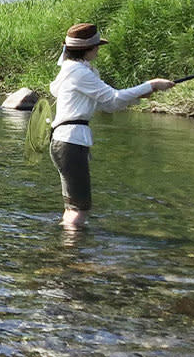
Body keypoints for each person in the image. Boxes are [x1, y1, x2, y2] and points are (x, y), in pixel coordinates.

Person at [48, 22, 173, 229]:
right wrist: (151, 85)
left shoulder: (73, 70)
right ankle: (71, 255)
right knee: (80, 208)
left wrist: (142, 94)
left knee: (74, 206)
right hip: (71, 142)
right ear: (88, 49)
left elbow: (109, 105)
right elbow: (113, 97)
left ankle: (69, 253)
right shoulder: (79, 72)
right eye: (97, 46)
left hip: (66, 141)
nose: (98, 49)